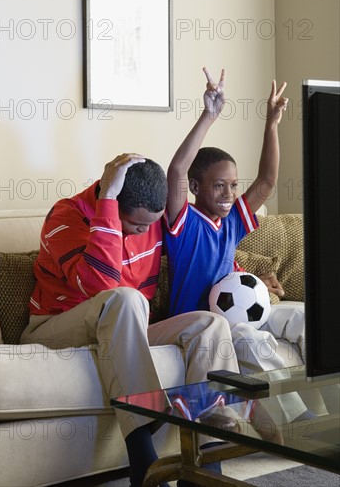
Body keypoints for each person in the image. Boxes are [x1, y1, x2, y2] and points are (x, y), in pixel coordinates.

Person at [20, 153, 240, 487]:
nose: (146, 231)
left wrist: (242, 276)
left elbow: (202, 249)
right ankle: (143, 461)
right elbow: (99, 286)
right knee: (125, 297)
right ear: (112, 204)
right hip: (55, 328)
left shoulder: (151, 221)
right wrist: (107, 201)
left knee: (211, 324)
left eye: (151, 224)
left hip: (124, 327)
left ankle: (206, 462)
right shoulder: (65, 217)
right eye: (137, 225)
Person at [164, 68, 307, 375]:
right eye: (218, 186)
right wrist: (209, 115)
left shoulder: (231, 221)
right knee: (248, 339)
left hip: (239, 311)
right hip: (202, 322)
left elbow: (267, 181)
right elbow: (176, 171)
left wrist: (272, 124)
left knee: (302, 318)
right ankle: (296, 418)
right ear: (195, 187)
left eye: (233, 185)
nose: (228, 194)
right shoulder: (185, 223)